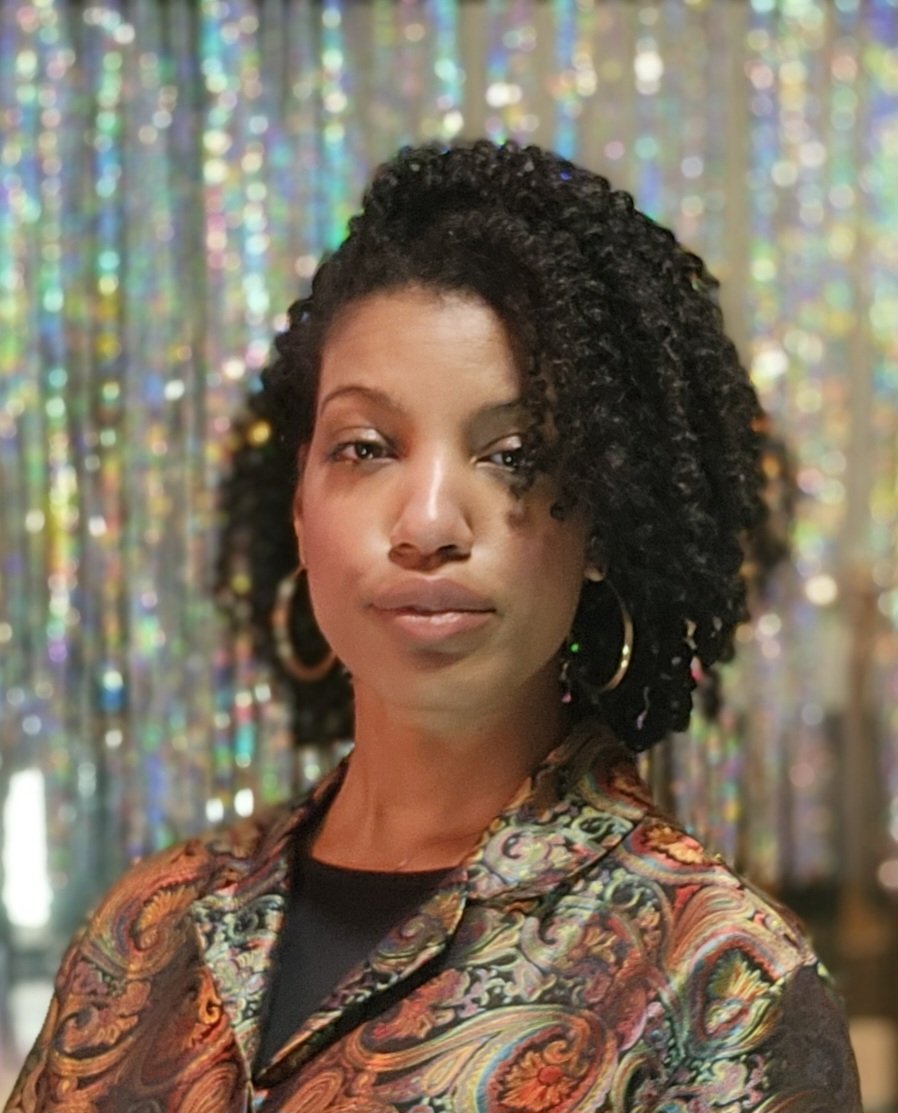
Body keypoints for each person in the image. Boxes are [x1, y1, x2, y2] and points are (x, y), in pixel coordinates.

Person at [6, 140, 861, 1112]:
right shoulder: (151, 925)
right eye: (365, 448)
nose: (425, 525)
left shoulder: (715, 978)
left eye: (510, 454)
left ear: (598, 525)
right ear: (298, 505)